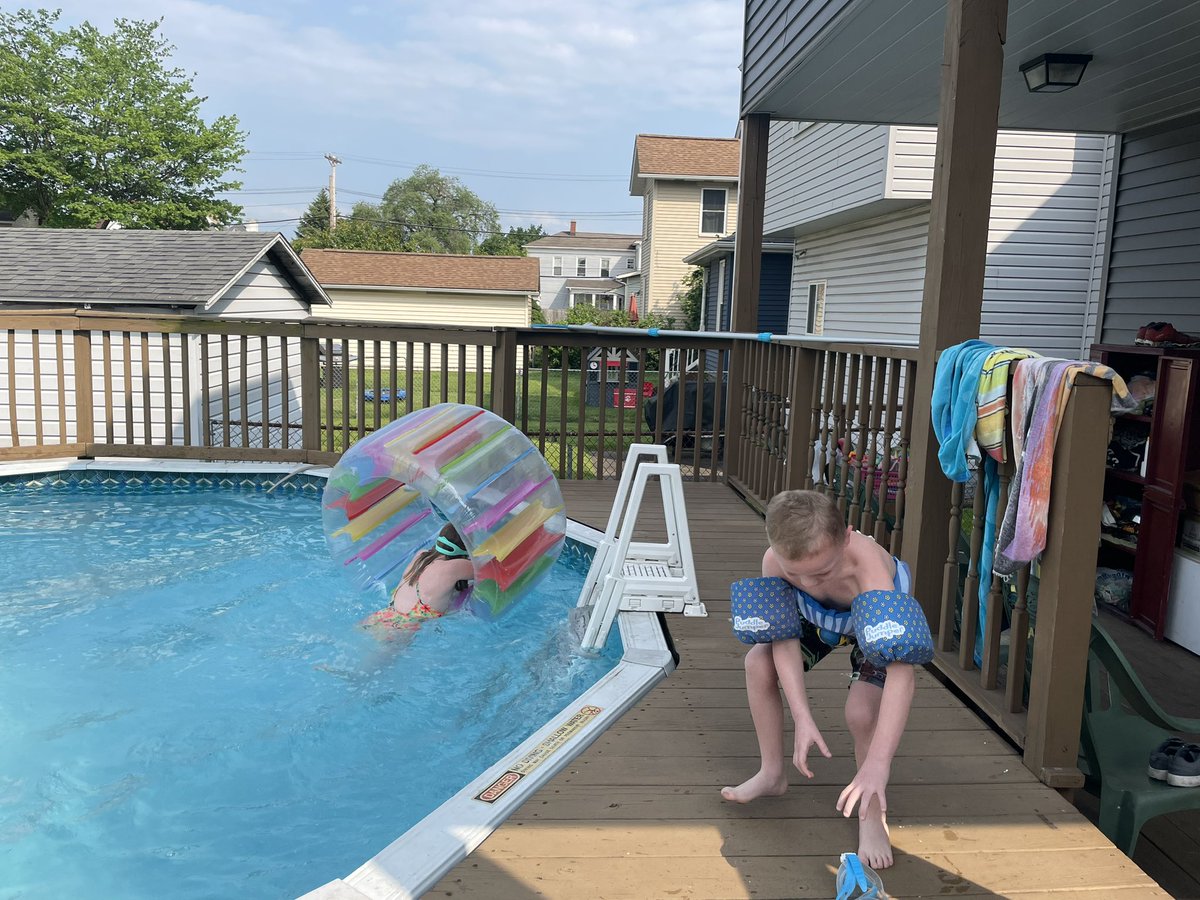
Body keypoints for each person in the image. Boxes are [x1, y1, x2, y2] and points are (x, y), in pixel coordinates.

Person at [721, 489, 930, 871]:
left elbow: (902, 672)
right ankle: (772, 772)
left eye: (820, 573)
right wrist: (802, 715)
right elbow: (783, 636)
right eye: (795, 574)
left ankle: (871, 813)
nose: (808, 582)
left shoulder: (869, 569)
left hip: (875, 629)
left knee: (862, 713)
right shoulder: (775, 561)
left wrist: (879, 764)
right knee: (758, 662)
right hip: (822, 624)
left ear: (847, 536)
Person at [362, 523, 475, 631]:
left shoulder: (421, 555)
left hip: (381, 616)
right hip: (401, 628)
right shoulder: (454, 567)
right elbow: (484, 569)